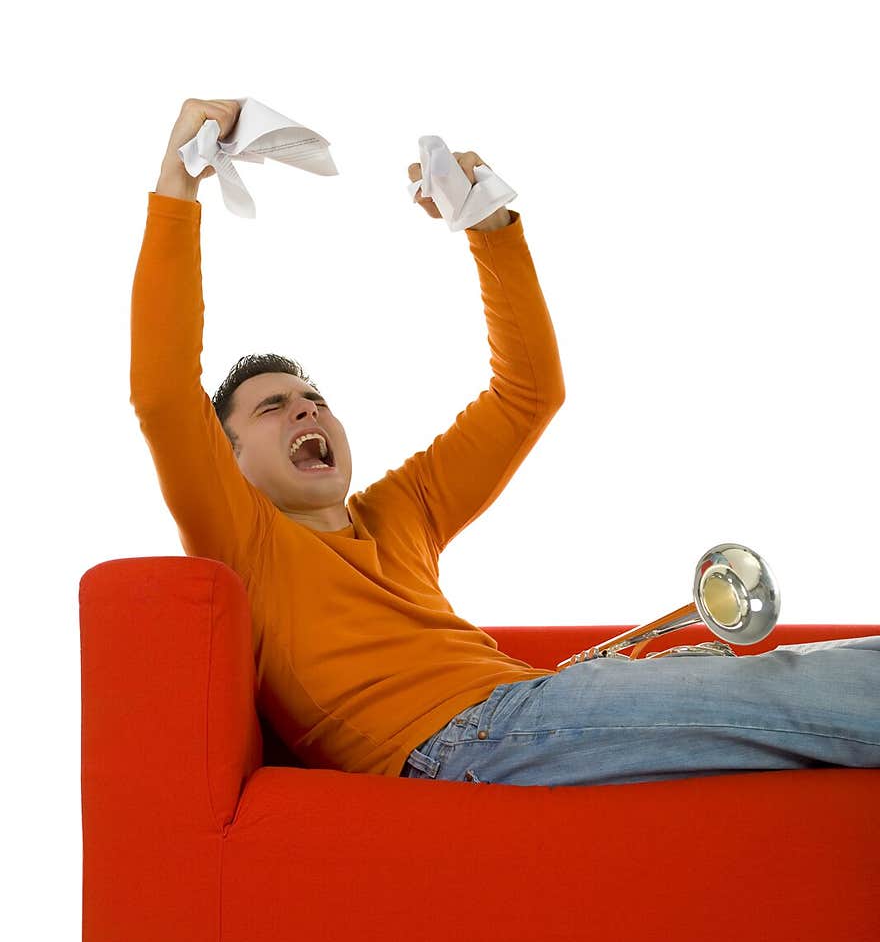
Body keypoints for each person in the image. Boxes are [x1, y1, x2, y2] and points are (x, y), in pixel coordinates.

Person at [132, 97, 880, 788]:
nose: (306, 413)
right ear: (229, 459)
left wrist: (490, 230)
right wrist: (177, 186)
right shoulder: (243, 535)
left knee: (817, 671)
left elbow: (529, 393)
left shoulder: (400, 513)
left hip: (516, 706)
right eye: (273, 409)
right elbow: (165, 394)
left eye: (314, 400)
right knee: (779, 689)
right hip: (461, 741)